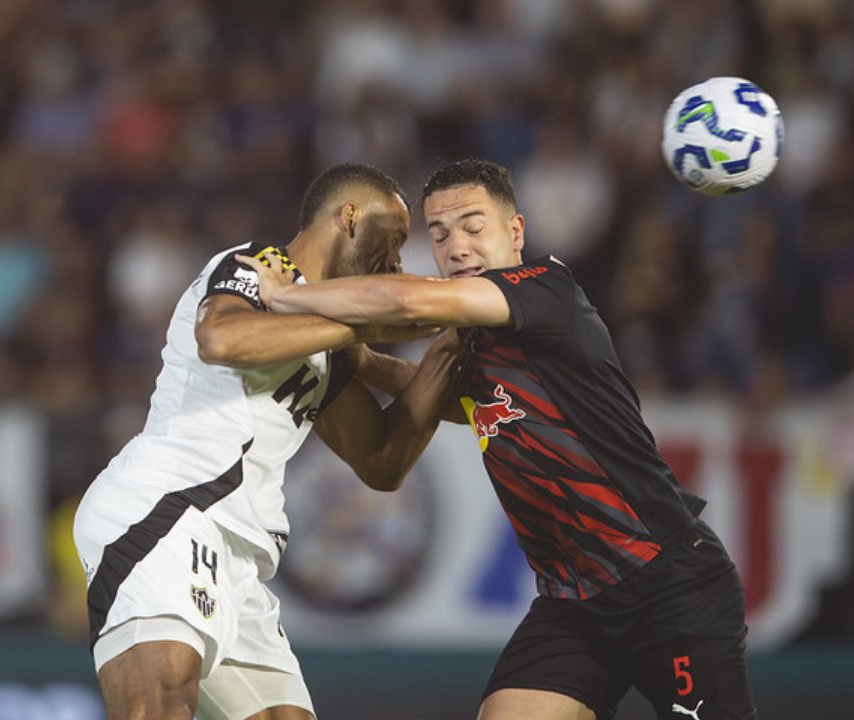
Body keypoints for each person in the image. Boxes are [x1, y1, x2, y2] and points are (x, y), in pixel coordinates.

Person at [239, 159, 757, 720]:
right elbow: (433, 392)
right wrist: (360, 360)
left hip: (667, 581)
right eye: (438, 234)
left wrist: (288, 297)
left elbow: (412, 302)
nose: (456, 246)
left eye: (472, 226)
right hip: (573, 603)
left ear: (515, 233)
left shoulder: (545, 292)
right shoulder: (473, 344)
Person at [73, 162, 458, 720]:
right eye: (393, 240)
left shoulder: (323, 335)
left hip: (240, 558)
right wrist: (368, 325)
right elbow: (220, 337)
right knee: (159, 705)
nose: (396, 262)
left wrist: (447, 356)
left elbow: (381, 461)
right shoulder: (260, 265)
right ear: (349, 217)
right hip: (168, 511)